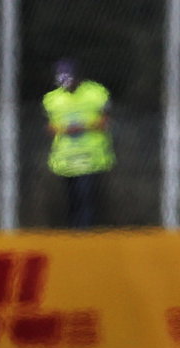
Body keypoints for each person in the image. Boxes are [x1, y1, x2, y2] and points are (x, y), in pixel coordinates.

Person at [42, 58, 114, 228]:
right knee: (72, 200)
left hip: (90, 157)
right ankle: (75, 236)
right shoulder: (51, 99)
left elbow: (105, 121)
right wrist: (65, 129)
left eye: (69, 78)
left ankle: (85, 234)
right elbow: (50, 128)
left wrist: (85, 126)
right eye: (62, 79)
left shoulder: (96, 93)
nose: (66, 82)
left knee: (86, 197)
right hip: (66, 159)